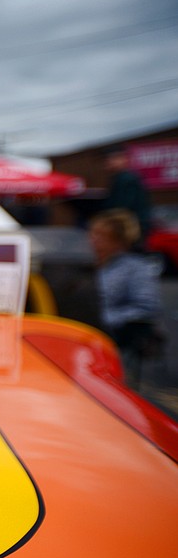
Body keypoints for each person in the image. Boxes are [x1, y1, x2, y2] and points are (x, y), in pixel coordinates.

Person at [89, 208, 163, 388]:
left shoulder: (136, 268)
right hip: (81, 331)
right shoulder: (84, 263)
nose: (93, 239)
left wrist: (108, 318)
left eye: (102, 235)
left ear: (120, 242)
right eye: (93, 234)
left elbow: (147, 306)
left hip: (114, 338)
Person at [102, 145, 152, 248]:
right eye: (108, 160)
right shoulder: (121, 178)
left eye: (113, 159)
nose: (109, 163)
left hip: (134, 228)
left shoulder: (126, 179)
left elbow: (122, 207)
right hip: (134, 227)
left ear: (124, 159)